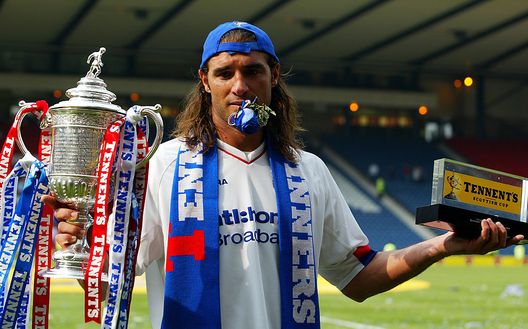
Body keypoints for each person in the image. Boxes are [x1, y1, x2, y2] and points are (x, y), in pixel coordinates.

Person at [43, 21, 524, 329]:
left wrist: (442, 246)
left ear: (274, 77)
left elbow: (359, 277)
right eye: (224, 73)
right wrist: (76, 245)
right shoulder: (165, 164)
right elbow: (111, 287)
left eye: (253, 71)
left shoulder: (307, 171)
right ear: (204, 81)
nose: (240, 86)